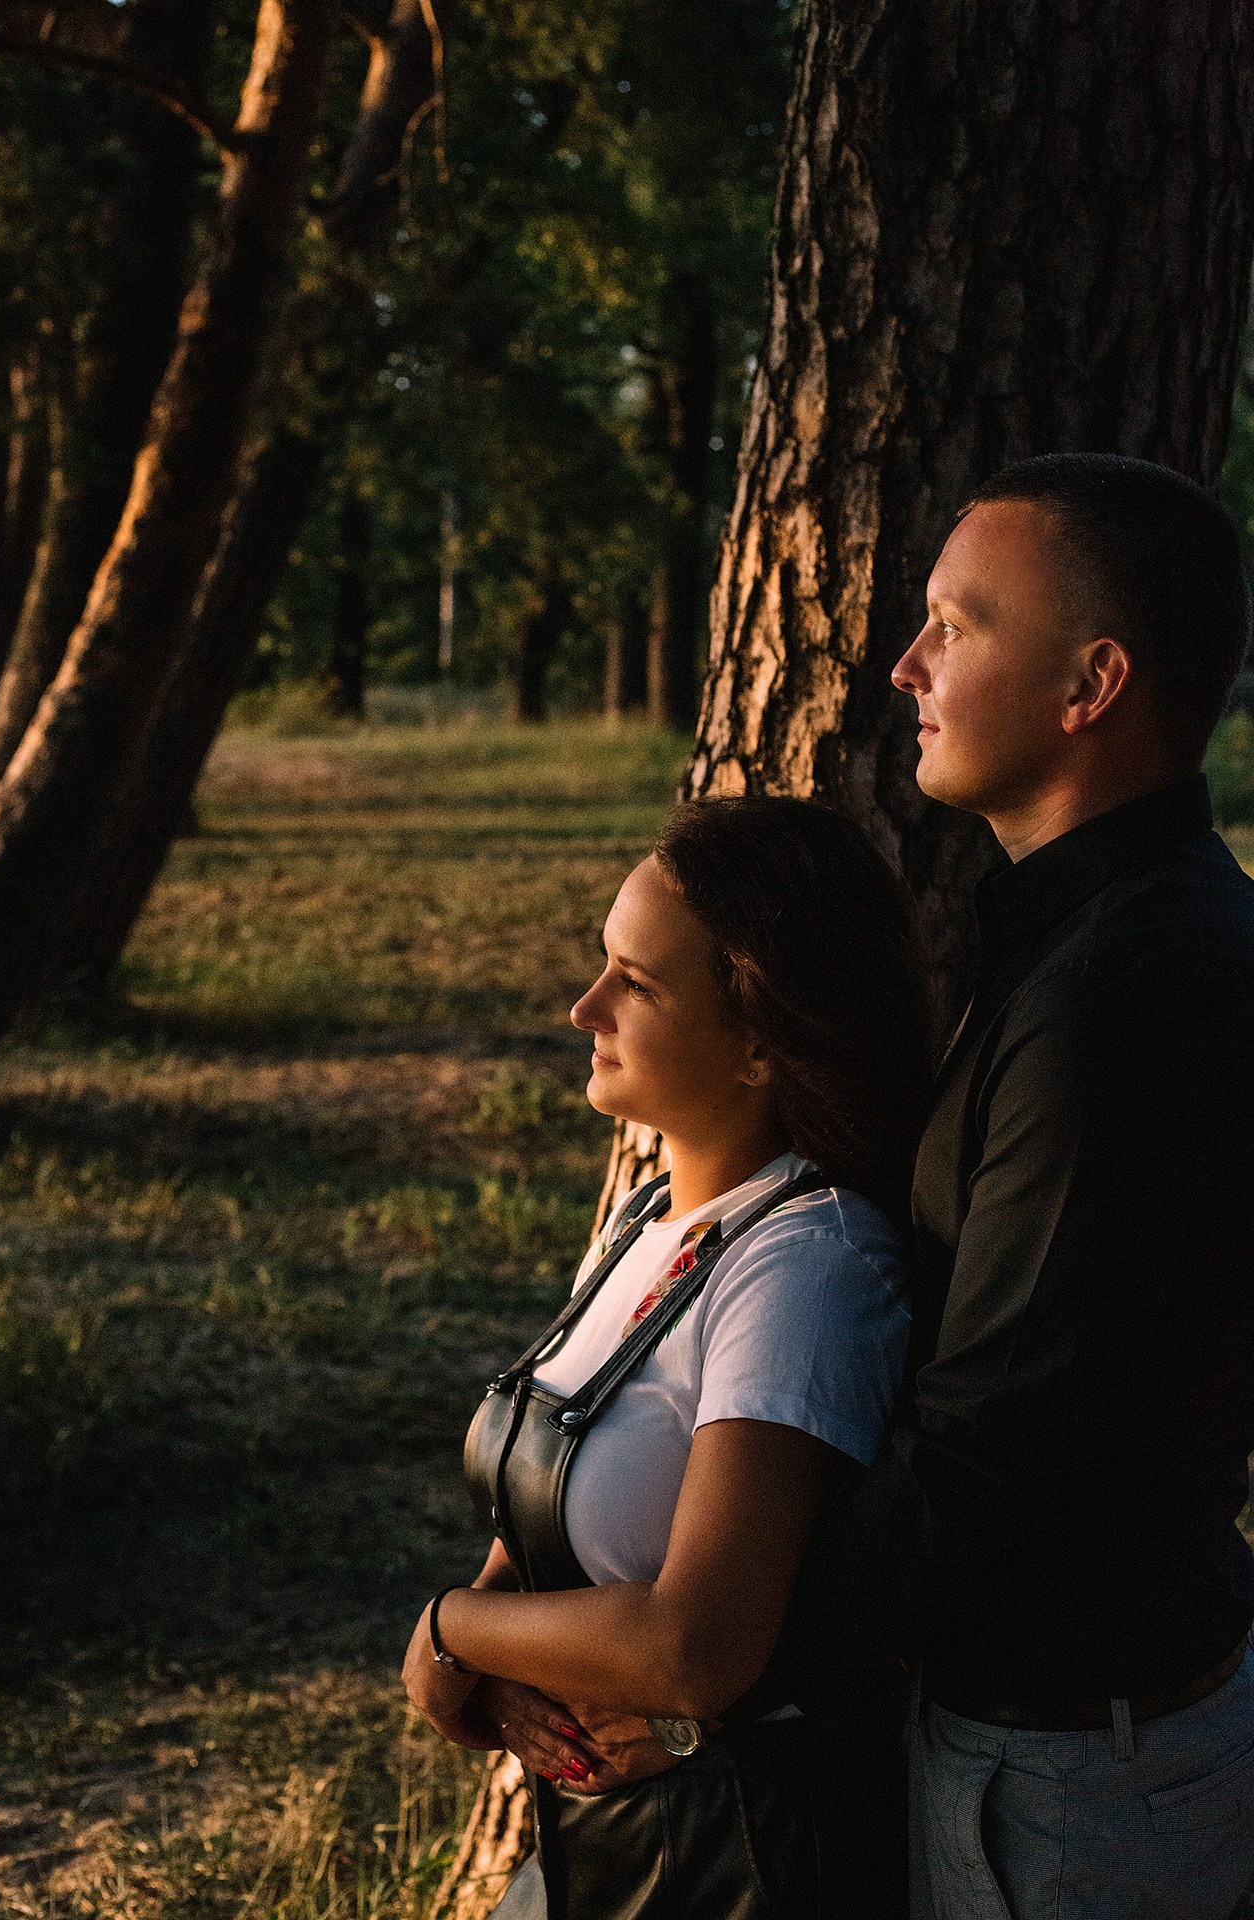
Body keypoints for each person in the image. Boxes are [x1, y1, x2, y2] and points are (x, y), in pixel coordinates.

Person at [798, 452, 1254, 1919]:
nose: (903, 665)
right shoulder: (1098, 937)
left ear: (1089, 685)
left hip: (1071, 1778)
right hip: (1064, 1737)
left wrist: (716, 1666)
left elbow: (997, 1429)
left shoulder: (1128, 987)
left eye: (955, 624)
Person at [403, 795, 931, 1918]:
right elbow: (561, 1504)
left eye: (635, 985)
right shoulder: (646, 1220)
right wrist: (497, 1647)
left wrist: (450, 1630)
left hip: (733, 1864)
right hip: (598, 1843)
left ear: (760, 1044)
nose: (583, 1006)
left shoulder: (806, 1268)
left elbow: (695, 1648)